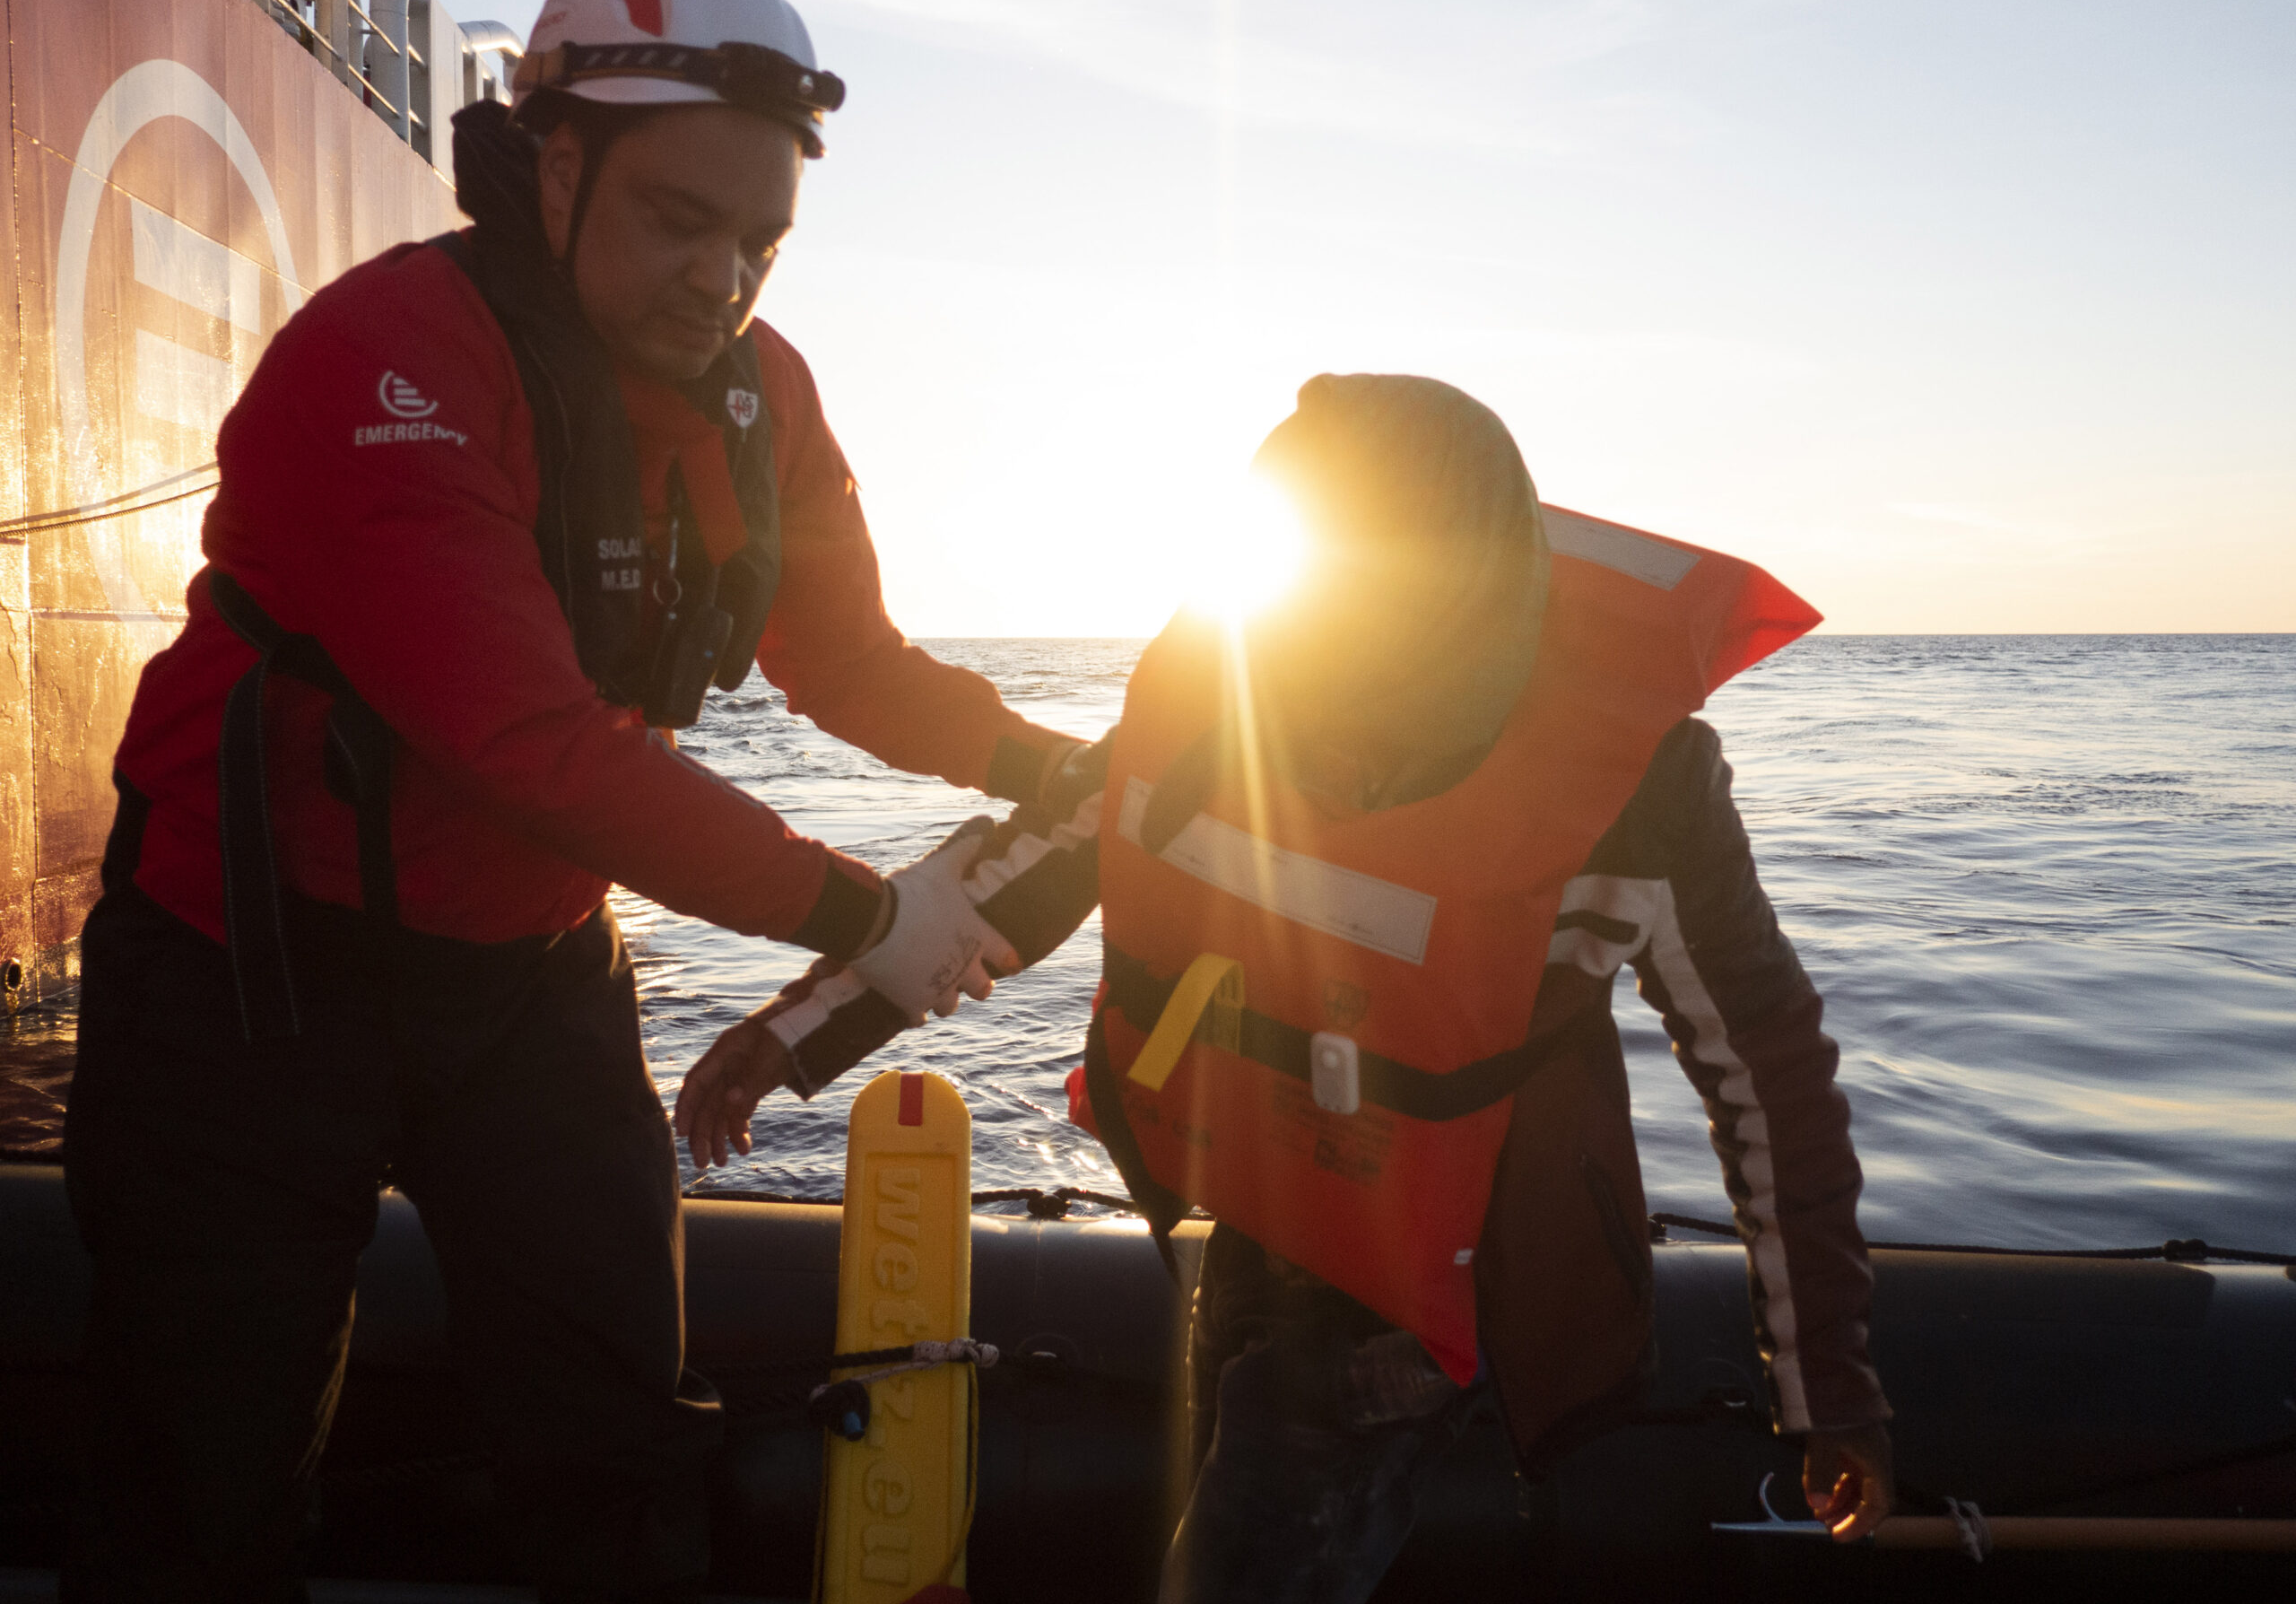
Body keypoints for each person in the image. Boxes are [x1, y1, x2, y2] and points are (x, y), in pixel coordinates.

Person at [63, 0, 1081, 1604]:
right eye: (682, 221)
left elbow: (851, 661)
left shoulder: (766, 395)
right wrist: (859, 908)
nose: (723, 279)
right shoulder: (387, 358)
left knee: (614, 1436)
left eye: (760, 241)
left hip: (531, 976)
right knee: (202, 1472)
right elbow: (522, 737)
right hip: (248, 975)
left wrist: (1052, 752)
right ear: (555, 162)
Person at [679, 374, 1897, 1603]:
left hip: (1419, 1284)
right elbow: (1029, 865)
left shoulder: (1642, 790)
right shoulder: (1223, 692)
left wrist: (1826, 1387)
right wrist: (799, 1031)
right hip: (1244, 1195)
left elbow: (1768, 1075)